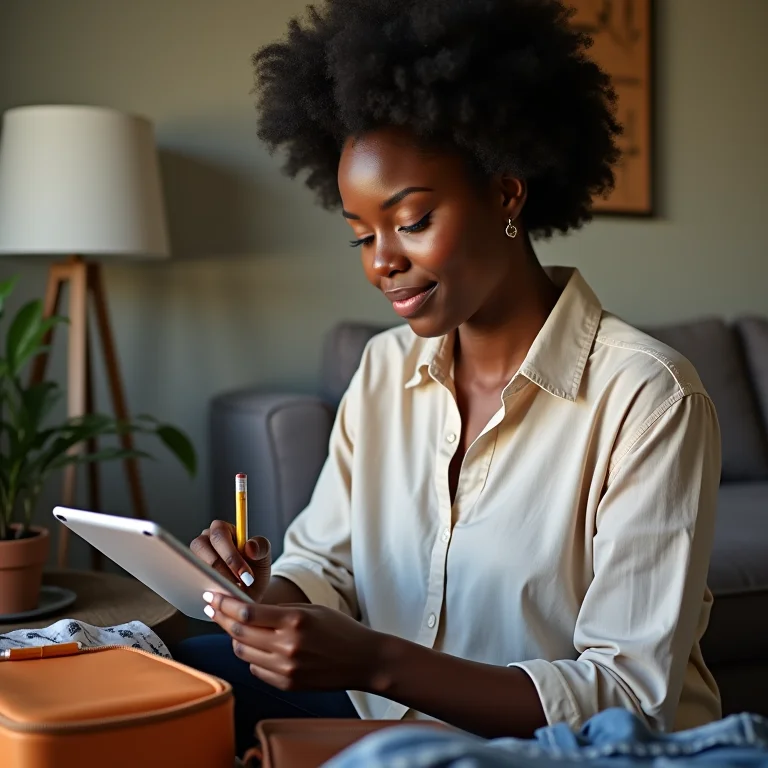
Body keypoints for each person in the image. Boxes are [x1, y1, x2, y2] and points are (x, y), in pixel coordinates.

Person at [175, 0, 722, 756]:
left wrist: (376, 662)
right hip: (391, 732)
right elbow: (323, 564)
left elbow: (629, 695)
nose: (381, 262)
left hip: (571, 751)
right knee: (155, 686)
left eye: (413, 220)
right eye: (362, 235)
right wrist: (263, 596)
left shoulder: (649, 395)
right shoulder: (383, 370)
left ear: (506, 192)